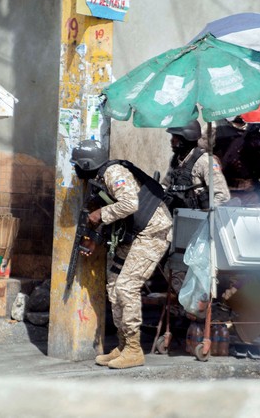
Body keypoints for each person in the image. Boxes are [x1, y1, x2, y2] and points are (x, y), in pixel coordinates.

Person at [70, 139, 172, 369]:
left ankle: (134, 350)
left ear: (86, 164)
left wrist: (99, 216)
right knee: (114, 284)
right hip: (135, 233)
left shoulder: (114, 173)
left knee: (127, 286)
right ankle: (124, 345)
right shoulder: (100, 179)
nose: (75, 169)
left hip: (153, 232)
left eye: (77, 164)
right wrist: (96, 237)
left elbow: (129, 204)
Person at [161, 120, 230, 212]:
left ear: (185, 139)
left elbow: (222, 196)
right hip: (178, 217)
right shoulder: (175, 160)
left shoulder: (205, 161)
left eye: (176, 137)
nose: (172, 140)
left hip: (199, 220)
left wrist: (205, 215)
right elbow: (165, 185)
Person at [212, 116, 260, 206]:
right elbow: (202, 157)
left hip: (252, 195)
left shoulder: (258, 129)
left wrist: (258, 145)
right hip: (226, 194)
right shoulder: (215, 126)